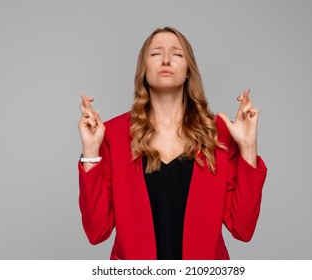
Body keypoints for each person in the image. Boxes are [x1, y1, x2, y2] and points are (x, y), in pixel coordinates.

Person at [77, 27, 267, 260]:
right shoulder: (112, 135)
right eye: (156, 54)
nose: (166, 59)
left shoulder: (219, 134)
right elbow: (97, 232)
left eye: (177, 54)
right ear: (143, 69)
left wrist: (248, 147)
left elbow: (243, 229)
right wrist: (90, 149)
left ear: (189, 70)